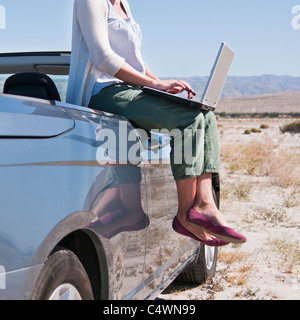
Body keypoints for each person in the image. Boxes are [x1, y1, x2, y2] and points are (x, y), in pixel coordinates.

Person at [66, 0, 246, 245]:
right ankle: (185, 215)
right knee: (188, 119)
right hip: (104, 92)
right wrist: (153, 85)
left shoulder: (123, 5)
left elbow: (136, 60)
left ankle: (205, 202)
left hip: (132, 91)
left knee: (206, 115)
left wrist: (163, 84)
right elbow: (103, 59)